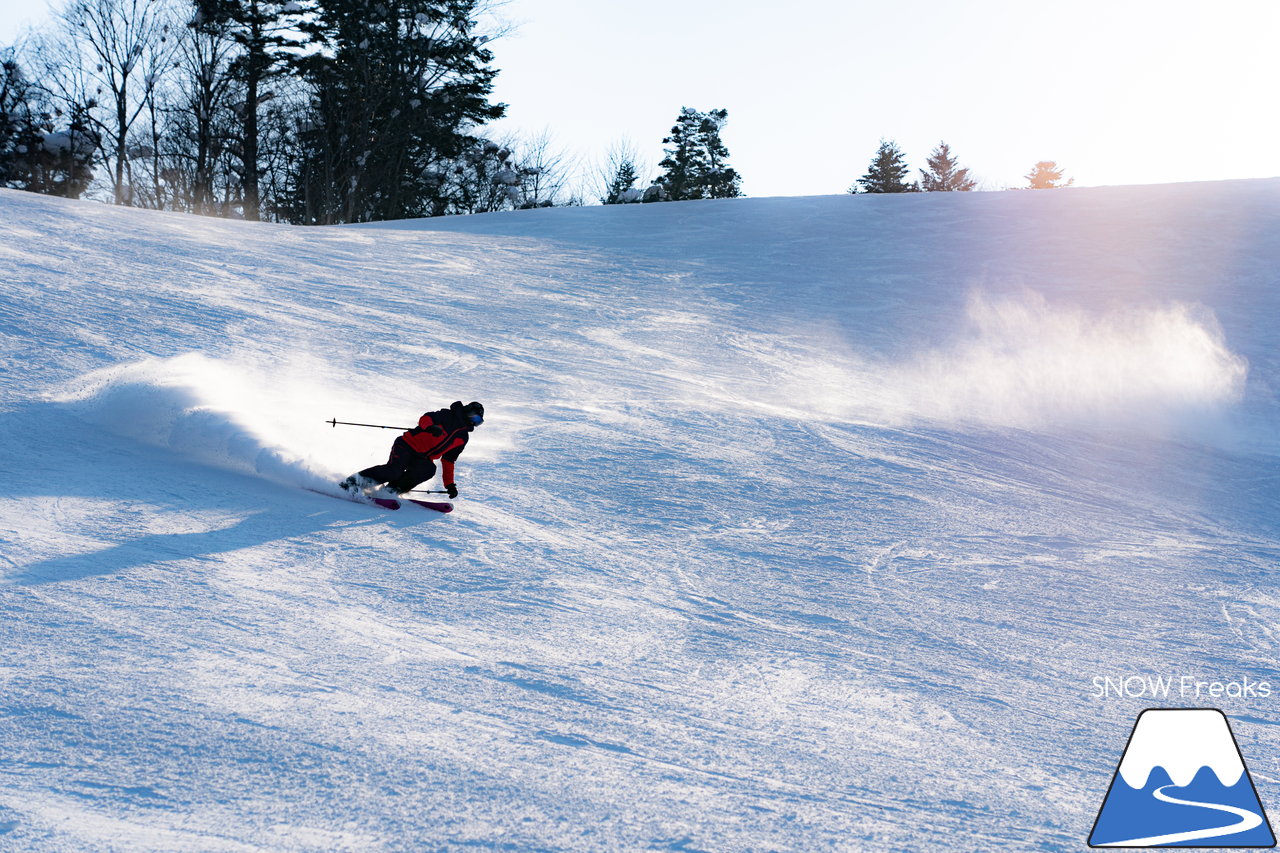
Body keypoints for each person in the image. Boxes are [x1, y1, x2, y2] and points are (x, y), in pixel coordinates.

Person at [341, 401, 483, 498]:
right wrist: (430, 427)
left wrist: (450, 484)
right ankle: (353, 483)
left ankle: (390, 491)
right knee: (394, 471)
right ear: (467, 412)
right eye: (474, 418)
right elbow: (425, 418)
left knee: (428, 469)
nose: (474, 423)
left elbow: (448, 461)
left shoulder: (462, 437)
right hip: (407, 445)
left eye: (478, 422)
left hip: (422, 458)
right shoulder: (446, 415)